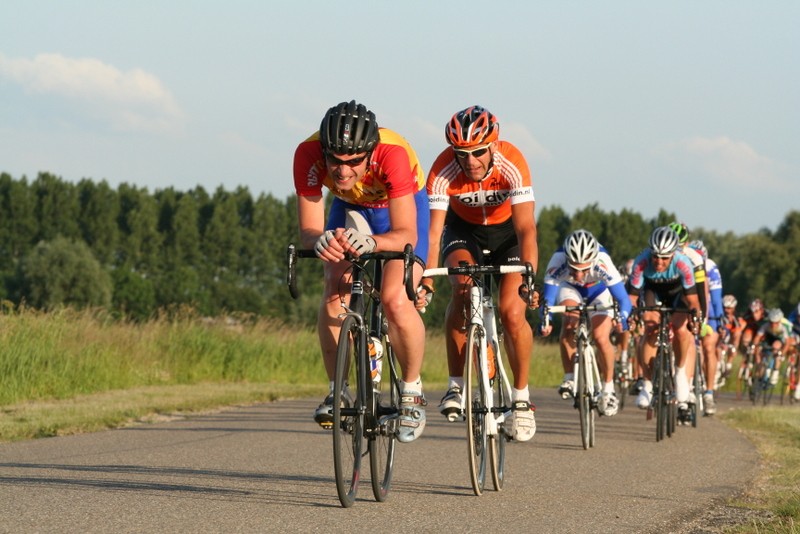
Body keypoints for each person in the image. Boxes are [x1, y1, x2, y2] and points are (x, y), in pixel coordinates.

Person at [293, 100, 430, 443]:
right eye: (335, 162)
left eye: (354, 162)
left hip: (397, 213)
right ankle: (336, 391)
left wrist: (372, 243)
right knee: (334, 287)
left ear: (370, 152)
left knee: (395, 299)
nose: (342, 172)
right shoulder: (306, 154)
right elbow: (309, 231)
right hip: (350, 207)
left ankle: (412, 393)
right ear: (323, 150)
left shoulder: (393, 154)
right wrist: (323, 239)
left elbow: (405, 234)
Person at [419, 105, 539, 442]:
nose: (470, 161)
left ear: (494, 146)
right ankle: (456, 385)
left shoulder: (512, 161)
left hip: (508, 237)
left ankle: (521, 399)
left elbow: (527, 228)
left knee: (512, 311)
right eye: (461, 153)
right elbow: (432, 233)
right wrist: (427, 280)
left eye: (478, 152)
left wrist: (530, 278)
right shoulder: (443, 170)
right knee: (461, 288)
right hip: (463, 233)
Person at [539, 229, 632, 416]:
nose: (579, 275)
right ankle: (569, 377)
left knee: (600, 337)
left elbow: (624, 300)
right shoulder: (557, 261)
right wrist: (546, 320)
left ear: (593, 260)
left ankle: (608, 389)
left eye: (583, 269)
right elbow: (547, 300)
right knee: (568, 324)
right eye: (573, 268)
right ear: (566, 259)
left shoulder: (603, 262)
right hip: (570, 289)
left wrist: (622, 319)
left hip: (599, 291)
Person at [627, 226, 701, 422]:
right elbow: (632, 297)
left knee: (681, 330)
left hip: (678, 296)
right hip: (653, 292)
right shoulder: (641, 262)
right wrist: (630, 316)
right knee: (650, 329)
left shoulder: (683, 264)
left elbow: (693, 300)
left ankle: (679, 373)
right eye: (656, 257)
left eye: (665, 258)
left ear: (673, 255)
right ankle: (648, 384)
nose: (659, 262)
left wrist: (696, 318)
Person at [688, 239, 723, 415]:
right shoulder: (684, 265)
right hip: (690, 309)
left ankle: (709, 392)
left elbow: (716, 299)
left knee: (709, 347)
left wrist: (719, 319)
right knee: (687, 345)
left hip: (709, 312)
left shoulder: (710, 268)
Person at [752, 308, 795, 385]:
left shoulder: (784, 326)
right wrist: (755, 347)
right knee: (759, 348)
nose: (773, 325)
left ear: (779, 321)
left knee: (776, 347)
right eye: (771, 322)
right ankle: (760, 371)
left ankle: (775, 371)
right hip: (769, 338)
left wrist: (782, 353)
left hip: (780, 340)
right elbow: (757, 337)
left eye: (776, 323)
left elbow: (787, 343)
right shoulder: (765, 324)